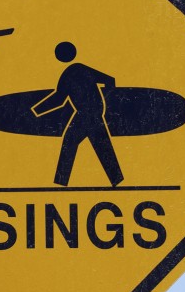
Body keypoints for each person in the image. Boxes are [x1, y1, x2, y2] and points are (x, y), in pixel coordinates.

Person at [33, 41, 123, 187]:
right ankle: (116, 180)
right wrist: (37, 110)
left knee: (71, 143)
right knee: (99, 145)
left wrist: (36, 111)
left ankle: (61, 183)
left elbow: (109, 81)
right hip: (89, 113)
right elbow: (60, 99)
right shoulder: (74, 72)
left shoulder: (73, 72)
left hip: (88, 114)